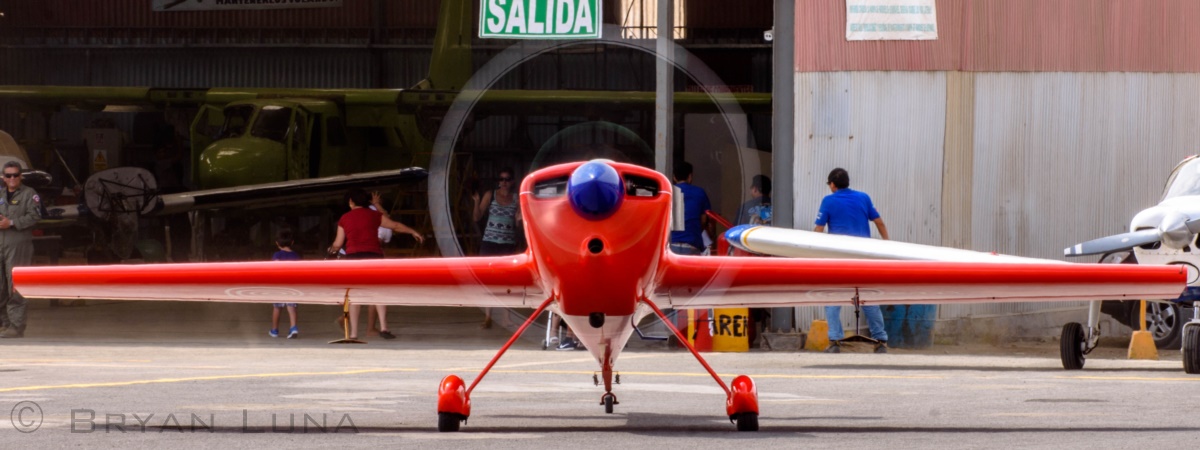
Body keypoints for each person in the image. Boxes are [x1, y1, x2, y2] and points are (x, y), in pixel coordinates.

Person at [329, 188, 424, 341]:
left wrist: (331, 251)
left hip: (353, 258)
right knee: (378, 292)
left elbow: (338, 243)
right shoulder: (374, 215)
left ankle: (353, 334)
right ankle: (384, 327)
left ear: (351, 201)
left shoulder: (345, 218)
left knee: (354, 296)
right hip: (374, 257)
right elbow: (395, 226)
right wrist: (413, 231)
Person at [814, 168, 890, 354]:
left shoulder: (828, 201)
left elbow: (818, 229)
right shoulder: (863, 198)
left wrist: (814, 252)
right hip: (863, 257)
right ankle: (880, 341)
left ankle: (835, 342)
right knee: (868, 299)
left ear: (832, 184)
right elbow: (879, 222)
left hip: (838, 258)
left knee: (833, 299)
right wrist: (887, 244)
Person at [471, 167, 522, 329]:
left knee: (507, 282)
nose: (504, 182)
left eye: (507, 179)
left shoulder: (516, 199)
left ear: (512, 182)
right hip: (490, 242)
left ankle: (506, 318)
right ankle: (488, 317)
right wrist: (477, 202)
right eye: (501, 179)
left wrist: (520, 219)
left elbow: (517, 222)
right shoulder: (490, 195)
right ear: (498, 182)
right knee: (488, 280)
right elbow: (476, 217)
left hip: (507, 243)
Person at [0, 161, 42, 339]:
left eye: (15, 175)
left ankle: (16, 326)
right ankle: (5, 323)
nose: (12, 178)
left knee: (16, 285)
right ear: (3, 177)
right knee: (1, 286)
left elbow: (35, 216)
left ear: (21, 176)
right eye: (8, 175)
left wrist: (12, 223)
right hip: (1, 244)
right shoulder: (0, 194)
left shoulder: (29, 194)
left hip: (18, 244)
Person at [668, 161, 712, 255]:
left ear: (674, 177)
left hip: (671, 246)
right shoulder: (700, 193)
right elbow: (704, 220)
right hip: (692, 245)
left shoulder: (669, 192)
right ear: (690, 177)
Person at [269, 229, 301, 339]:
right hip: (292, 285)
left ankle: (274, 330)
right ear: (292, 242)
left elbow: (274, 269)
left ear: (277, 243)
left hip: (279, 285)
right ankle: (293, 327)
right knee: (292, 307)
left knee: (277, 308)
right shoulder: (296, 256)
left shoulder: (277, 255)